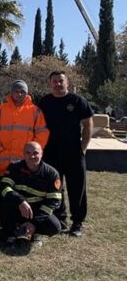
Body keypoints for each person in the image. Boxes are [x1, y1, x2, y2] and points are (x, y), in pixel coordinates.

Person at [38, 70, 93, 237]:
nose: (58, 84)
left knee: (77, 187)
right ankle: (59, 219)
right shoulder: (44, 102)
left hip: (73, 152)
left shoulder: (77, 101)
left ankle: (77, 222)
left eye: (61, 81)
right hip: (51, 153)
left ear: (67, 83)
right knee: (55, 187)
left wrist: (83, 147)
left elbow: (88, 124)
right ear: (50, 84)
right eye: (54, 81)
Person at [0, 142, 62, 248]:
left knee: (55, 227)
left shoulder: (51, 173)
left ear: (42, 154)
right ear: (23, 154)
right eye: (28, 153)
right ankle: (12, 232)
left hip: (38, 210)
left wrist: (34, 222)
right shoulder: (14, 167)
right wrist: (20, 201)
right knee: (3, 203)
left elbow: (54, 201)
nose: (32, 156)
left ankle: (35, 232)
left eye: (35, 153)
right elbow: (4, 186)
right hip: (18, 206)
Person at [0, 80, 49, 176]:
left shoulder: (35, 111)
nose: (19, 94)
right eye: (16, 91)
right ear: (11, 92)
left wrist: (33, 152)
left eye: (22, 91)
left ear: (26, 93)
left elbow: (42, 133)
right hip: (2, 162)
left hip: (26, 162)